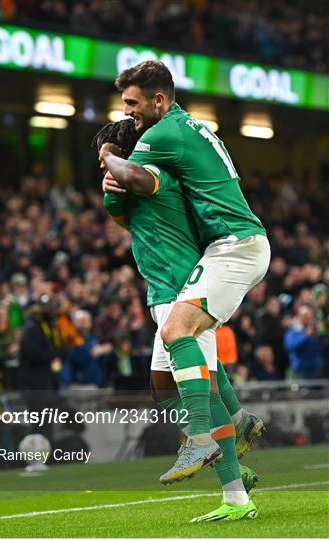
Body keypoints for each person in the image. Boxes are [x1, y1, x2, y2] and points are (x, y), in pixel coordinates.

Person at [95, 119, 259, 522]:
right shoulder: (130, 184)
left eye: (105, 159)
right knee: (166, 385)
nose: (103, 168)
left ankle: (235, 494)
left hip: (181, 287)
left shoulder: (155, 175)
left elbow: (135, 187)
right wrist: (112, 185)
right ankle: (240, 426)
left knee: (197, 388)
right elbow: (120, 217)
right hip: (164, 291)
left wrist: (115, 166)